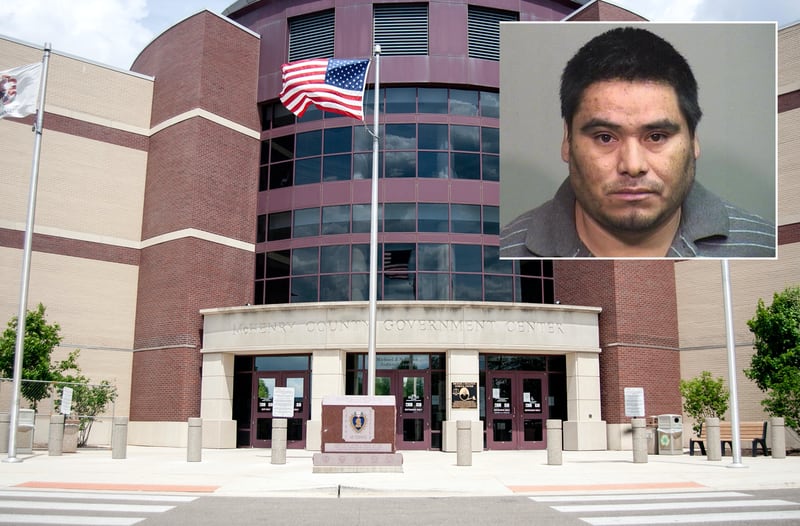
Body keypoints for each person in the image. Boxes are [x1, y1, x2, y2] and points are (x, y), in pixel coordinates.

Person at [499, 27, 775, 258]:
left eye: (656, 137)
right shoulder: (506, 249)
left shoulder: (765, 245)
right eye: (605, 137)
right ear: (567, 142)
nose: (632, 165)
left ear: (693, 140)